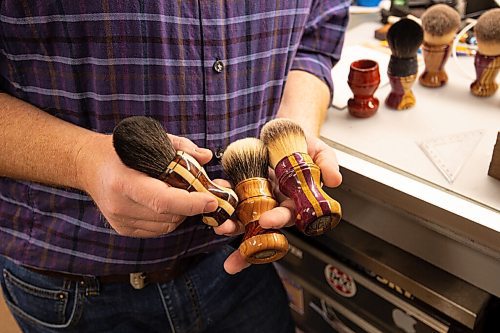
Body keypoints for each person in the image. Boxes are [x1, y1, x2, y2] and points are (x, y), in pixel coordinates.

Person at [0, 1, 349, 332]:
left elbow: (315, 39)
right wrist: (80, 160)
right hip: (76, 292)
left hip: (241, 262)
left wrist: (289, 137)